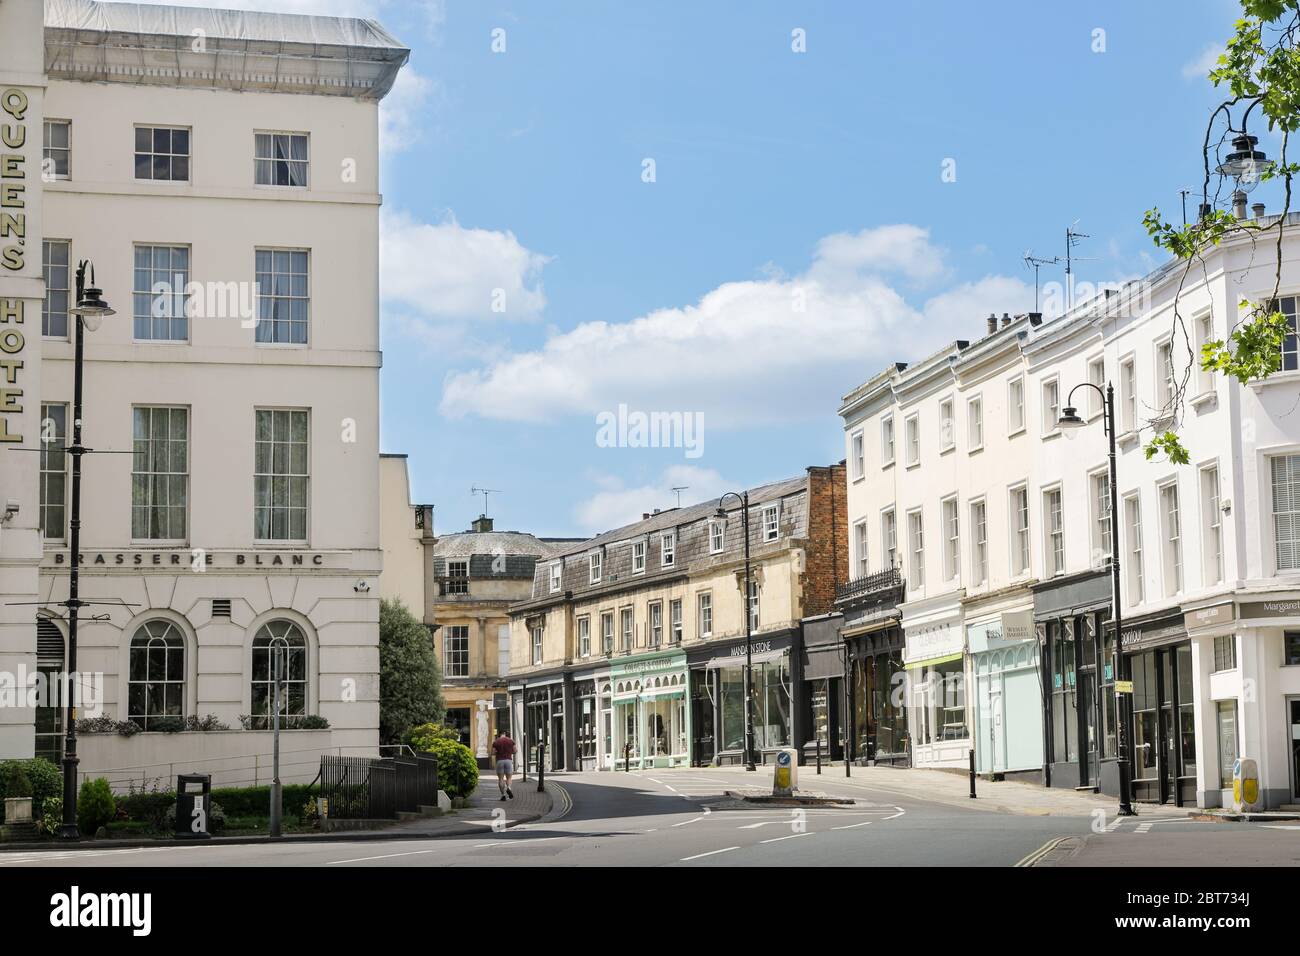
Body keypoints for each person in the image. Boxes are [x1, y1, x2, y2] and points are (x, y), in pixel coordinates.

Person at [491, 731, 517, 800]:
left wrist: (497, 752)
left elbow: (493, 753)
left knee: (501, 779)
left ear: (499, 735)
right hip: (508, 760)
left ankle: (503, 795)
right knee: (509, 778)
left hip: (499, 761)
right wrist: (509, 751)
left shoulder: (496, 742)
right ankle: (508, 788)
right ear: (505, 735)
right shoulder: (511, 741)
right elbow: (515, 751)